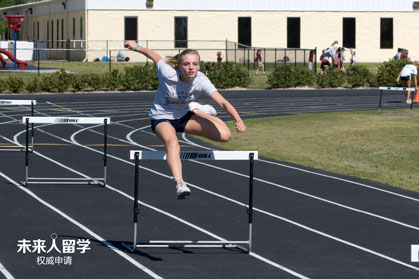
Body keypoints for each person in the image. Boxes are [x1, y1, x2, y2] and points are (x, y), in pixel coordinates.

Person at [124, 40, 247, 199]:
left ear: (199, 66)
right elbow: (154, 55)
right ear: (180, 66)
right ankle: (180, 183)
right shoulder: (167, 73)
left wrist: (238, 119)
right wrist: (136, 47)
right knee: (172, 142)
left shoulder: (201, 80)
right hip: (162, 117)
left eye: (195, 64)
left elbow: (222, 102)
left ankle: (196, 110)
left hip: (184, 116)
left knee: (225, 135)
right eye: (187, 64)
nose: (191, 67)